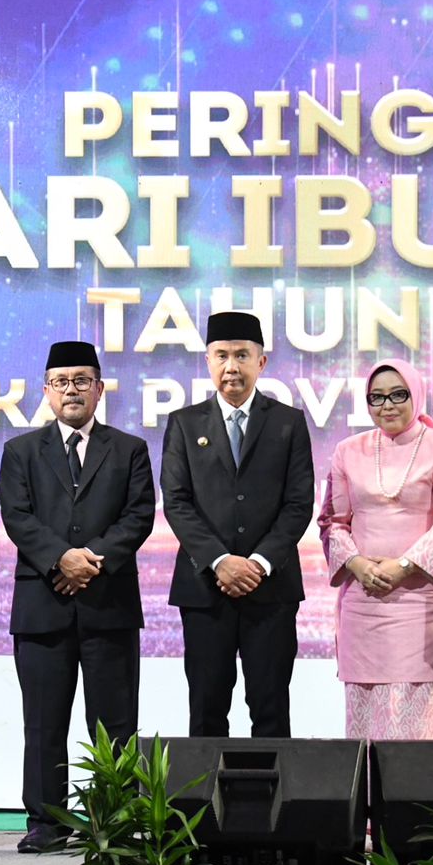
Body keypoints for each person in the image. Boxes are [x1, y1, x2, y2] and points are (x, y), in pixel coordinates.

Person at [0, 340, 156, 853]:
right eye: (62, 382)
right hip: (42, 605)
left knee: (114, 724)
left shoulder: (129, 448)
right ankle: (46, 820)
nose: (72, 390)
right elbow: (17, 516)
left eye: (82, 380)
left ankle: (114, 816)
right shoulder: (20, 450)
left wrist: (89, 561)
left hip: (108, 603)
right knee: (43, 722)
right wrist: (59, 559)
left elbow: (138, 516)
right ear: (46, 391)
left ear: (100, 388)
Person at [161, 311, 314, 737]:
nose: (232, 366)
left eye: (242, 355)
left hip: (272, 590)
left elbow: (299, 504)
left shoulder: (289, 422)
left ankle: (269, 805)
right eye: (222, 355)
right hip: (205, 590)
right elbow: (176, 502)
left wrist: (260, 562)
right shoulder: (184, 423)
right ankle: (208, 807)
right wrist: (220, 560)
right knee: (207, 709)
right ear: (208, 362)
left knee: (270, 710)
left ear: (261, 362)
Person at [318, 359, 433, 739]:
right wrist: (356, 564)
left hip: (424, 606)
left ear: (416, 395)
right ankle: (366, 802)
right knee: (364, 735)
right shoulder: (347, 450)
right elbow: (332, 522)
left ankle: (414, 802)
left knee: (417, 737)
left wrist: (403, 567)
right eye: (376, 397)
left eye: (398, 394)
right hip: (364, 603)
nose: (387, 405)